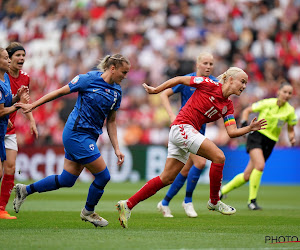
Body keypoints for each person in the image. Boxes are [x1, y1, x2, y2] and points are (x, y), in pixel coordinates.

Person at [116, 67, 267, 228]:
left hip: (182, 131)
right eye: (242, 81)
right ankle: (214, 201)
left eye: (246, 83)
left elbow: (232, 132)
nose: (244, 86)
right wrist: (157, 90)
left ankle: (128, 204)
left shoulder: (228, 106)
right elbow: (180, 79)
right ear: (230, 79)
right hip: (183, 127)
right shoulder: (210, 83)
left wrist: (249, 129)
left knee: (166, 178)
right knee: (219, 157)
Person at [13, 54, 130, 227]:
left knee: (67, 180)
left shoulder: (117, 91)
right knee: (103, 176)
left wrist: (117, 148)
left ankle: (25, 190)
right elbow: (59, 92)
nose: (125, 76)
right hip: (76, 133)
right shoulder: (88, 79)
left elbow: (111, 121)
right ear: (112, 68)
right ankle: (88, 212)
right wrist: (33, 105)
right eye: (123, 72)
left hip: (90, 136)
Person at [157, 52, 218, 218]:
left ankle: (164, 203)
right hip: (186, 128)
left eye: (211, 64)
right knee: (200, 162)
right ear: (197, 65)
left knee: (184, 170)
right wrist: (171, 115)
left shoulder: (214, 83)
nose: (208, 66)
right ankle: (188, 201)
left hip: (201, 128)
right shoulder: (187, 80)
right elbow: (164, 94)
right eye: (205, 63)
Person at [220, 82, 297, 210]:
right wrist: (244, 123)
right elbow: (247, 110)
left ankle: (222, 191)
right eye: (285, 92)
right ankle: (252, 201)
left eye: (290, 93)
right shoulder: (268, 103)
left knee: (247, 176)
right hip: (257, 136)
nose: (287, 95)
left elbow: (290, 128)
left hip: (270, 142)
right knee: (260, 165)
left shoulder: (290, 111)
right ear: (278, 92)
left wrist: (292, 137)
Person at [0, 42, 38, 220]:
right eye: (17, 55)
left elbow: (24, 101)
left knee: (11, 168)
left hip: (9, 128)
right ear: (8, 58)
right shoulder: (2, 76)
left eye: (23, 55)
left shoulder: (25, 77)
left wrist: (32, 121)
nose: (21, 58)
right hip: (3, 123)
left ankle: (1, 208)